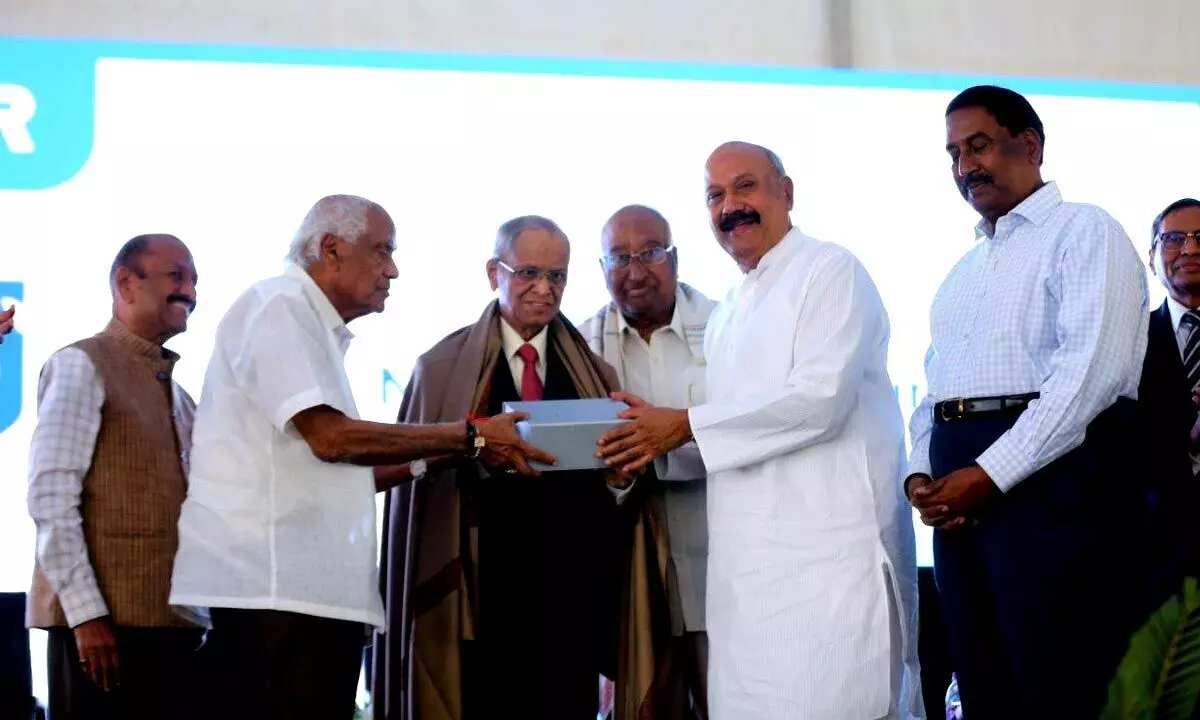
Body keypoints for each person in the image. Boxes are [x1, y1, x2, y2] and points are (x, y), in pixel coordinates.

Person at [169, 196, 549, 720]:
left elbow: (338, 471)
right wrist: (470, 435)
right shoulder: (277, 305)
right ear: (330, 249)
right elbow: (332, 440)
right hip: (274, 600)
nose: (392, 270)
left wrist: (442, 455)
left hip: (308, 600)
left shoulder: (310, 326)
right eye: (382, 252)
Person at [596, 142, 923, 720]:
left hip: (828, 571)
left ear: (787, 193)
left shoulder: (829, 270)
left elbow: (820, 402)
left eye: (745, 187)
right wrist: (648, 447)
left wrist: (681, 426)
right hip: (747, 586)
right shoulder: (728, 314)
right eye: (715, 196)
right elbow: (734, 440)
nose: (730, 207)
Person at [906, 86, 1150, 719]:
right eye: (954, 154)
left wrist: (988, 475)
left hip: (1048, 493)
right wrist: (921, 477)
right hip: (960, 502)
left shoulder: (1085, 230)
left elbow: (1088, 379)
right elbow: (934, 392)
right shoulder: (963, 271)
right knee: (984, 683)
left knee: (1058, 679)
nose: (965, 168)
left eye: (979, 146)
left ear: (1030, 144)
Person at [372, 215, 671, 720]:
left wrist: (621, 479)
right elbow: (415, 491)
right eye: (529, 272)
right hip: (476, 603)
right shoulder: (440, 370)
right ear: (495, 273)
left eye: (557, 276)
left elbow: (616, 494)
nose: (544, 289)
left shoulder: (594, 374)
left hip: (568, 608)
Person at [26, 234, 204, 720]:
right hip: (103, 633)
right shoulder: (82, 364)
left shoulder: (183, 397)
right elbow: (51, 496)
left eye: (194, 281)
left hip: (175, 629)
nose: (190, 291)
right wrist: (87, 617)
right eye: (176, 277)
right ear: (125, 283)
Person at [580, 204, 716, 719]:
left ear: (675, 258)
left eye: (650, 253)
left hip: (721, 565)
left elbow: (752, 431)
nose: (635, 271)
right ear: (602, 270)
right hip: (626, 575)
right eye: (619, 258)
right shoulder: (578, 344)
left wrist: (659, 445)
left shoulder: (727, 325)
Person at [1139, 197, 1200, 602]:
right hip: (1158, 557)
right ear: (1152, 257)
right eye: (1175, 239)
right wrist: (1190, 438)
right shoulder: (1128, 342)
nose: (1191, 249)